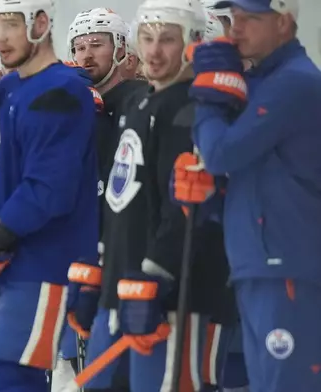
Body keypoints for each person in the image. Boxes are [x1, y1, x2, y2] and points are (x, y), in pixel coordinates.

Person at [0, 0, 99, 389]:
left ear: (41, 23)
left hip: (43, 264)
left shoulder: (61, 89)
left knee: (11, 379)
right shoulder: (6, 87)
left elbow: (50, 187)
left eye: (11, 24)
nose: (1, 37)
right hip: (5, 267)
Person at [176, 0, 321, 391]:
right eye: (233, 18)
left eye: (250, 19)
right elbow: (232, 171)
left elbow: (222, 153)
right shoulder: (258, 81)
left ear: (284, 22)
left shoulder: (295, 82)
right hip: (256, 261)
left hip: (287, 263)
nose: (235, 28)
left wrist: (207, 98)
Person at [102, 0, 233, 391]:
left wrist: (156, 273)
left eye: (167, 40)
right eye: (147, 38)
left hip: (170, 296)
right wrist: (101, 269)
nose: (155, 51)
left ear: (191, 42)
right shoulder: (139, 101)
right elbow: (122, 198)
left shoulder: (193, 109)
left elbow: (186, 207)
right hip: (128, 286)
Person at [56, 8, 150, 392]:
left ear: (122, 49)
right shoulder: (73, 104)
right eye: (79, 47)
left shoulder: (140, 101)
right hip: (78, 259)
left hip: (127, 261)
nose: (86, 55)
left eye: (97, 44)